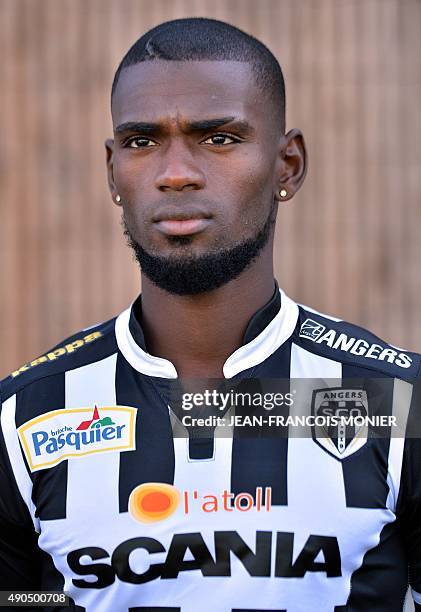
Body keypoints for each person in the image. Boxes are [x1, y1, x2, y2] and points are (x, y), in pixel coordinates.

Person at [0, 17, 420, 612]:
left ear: (288, 166)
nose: (175, 174)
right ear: (112, 171)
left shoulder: (397, 403)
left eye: (218, 138)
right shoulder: (23, 418)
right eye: (142, 142)